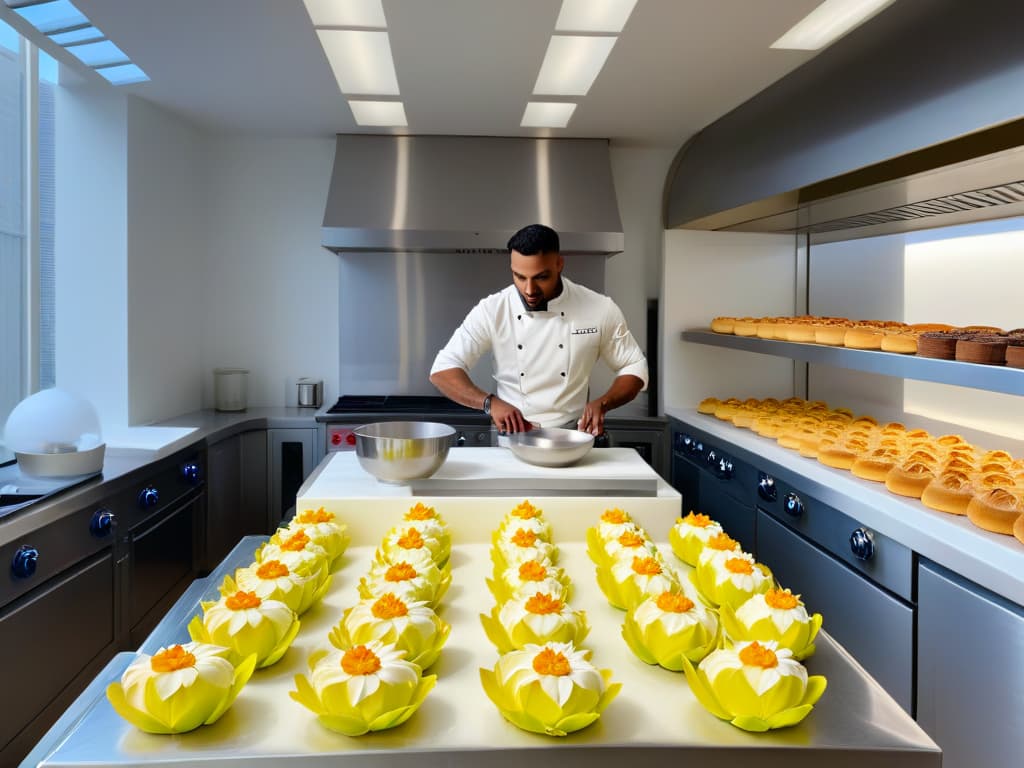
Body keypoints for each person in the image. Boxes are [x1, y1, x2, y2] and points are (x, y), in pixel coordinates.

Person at [429, 223, 648, 436]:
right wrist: (489, 403)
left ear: (559, 264)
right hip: (511, 438)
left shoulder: (600, 308)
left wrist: (604, 403)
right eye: (520, 276)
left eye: (541, 277)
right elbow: (443, 369)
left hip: (573, 437)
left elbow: (634, 365)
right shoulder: (492, 309)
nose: (529, 289)